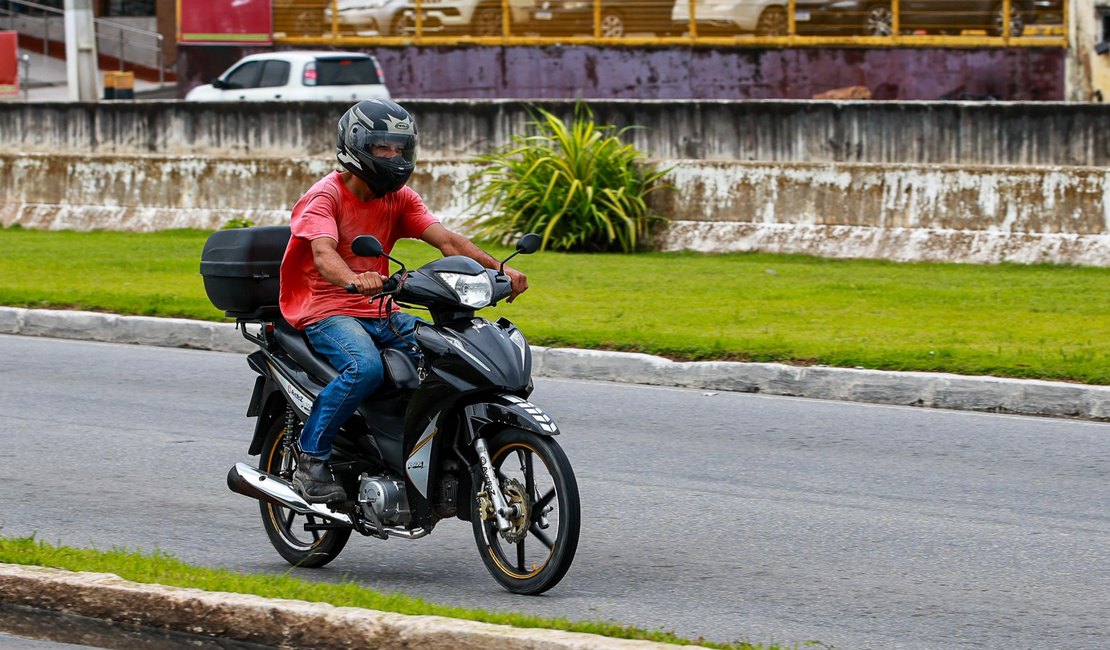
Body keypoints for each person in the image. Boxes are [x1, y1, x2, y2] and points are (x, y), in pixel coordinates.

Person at [278, 99, 528, 504]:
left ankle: (418, 452)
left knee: (450, 355)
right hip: (326, 308)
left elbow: (447, 241)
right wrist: (354, 279)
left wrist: (499, 270)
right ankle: (311, 458)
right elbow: (324, 255)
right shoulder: (323, 197)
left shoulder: (400, 198)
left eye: (400, 148)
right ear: (356, 145)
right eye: (382, 148)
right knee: (364, 368)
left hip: (380, 307)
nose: (393, 157)